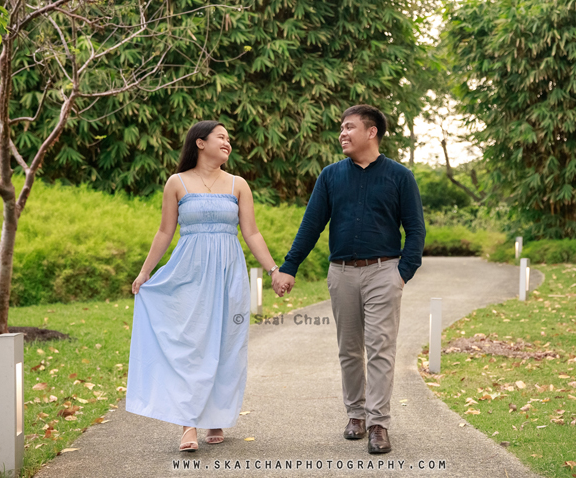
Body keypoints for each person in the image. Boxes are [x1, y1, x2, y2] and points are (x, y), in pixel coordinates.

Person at [272, 105, 425, 454]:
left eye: (349, 127)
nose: (342, 134)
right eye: (341, 128)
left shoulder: (400, 176)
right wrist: (289, 267)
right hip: (341, 273)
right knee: (349, 350)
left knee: (381, 349)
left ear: (371, 132)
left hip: (384, 271)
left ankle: (378, 423)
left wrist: (402, 273)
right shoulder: (330, 176)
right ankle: (355, 415)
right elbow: (311, 225)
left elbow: (415, 228)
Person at [127, 120, 282, 452]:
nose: (228, 142)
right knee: (190, 344)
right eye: (221, 137)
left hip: (229, 272)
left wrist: (272, 270)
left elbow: (251, 233)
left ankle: (217, 415)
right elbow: (165, 232)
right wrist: (145, 273)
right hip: (189, 273)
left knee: (227, 344)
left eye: (229, 138)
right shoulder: (177, 183)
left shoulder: (238, 184)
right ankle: (188, 423)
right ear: (200, 142)